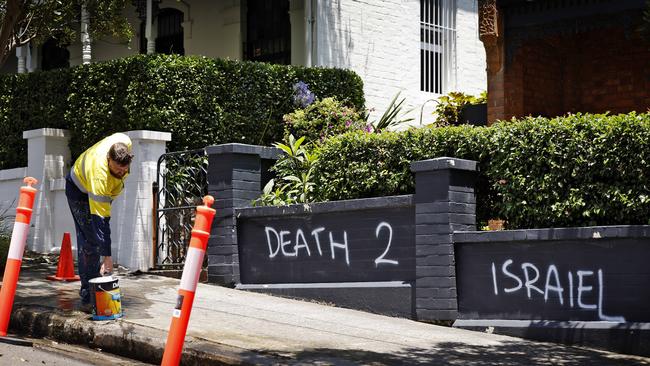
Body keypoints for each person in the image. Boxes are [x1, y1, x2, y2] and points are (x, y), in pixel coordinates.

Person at [65, 133, 133, 312]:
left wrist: (107, 254)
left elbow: (104, 218)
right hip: (78, 191)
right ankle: (89, 293)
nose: (122, 173)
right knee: (91, 241)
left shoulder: (124, 142)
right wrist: (107, 258)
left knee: (95, 238)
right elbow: (101, 222)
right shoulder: (99, 177)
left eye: (124, 170)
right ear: (108, 160)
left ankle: (96, 288)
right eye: (118, 170)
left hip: (96, 189)